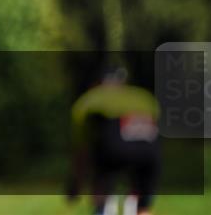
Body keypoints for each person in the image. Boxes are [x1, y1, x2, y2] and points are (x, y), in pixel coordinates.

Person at [69, 67, 161, 215]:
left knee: (100, 171)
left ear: (98, 83)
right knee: (144, 201)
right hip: (150, 152)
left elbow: (82, 150)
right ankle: (141, 207)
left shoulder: (90, 99)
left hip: (113, 149)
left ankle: (101, 207)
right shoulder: (144, 96)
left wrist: (75, 185)